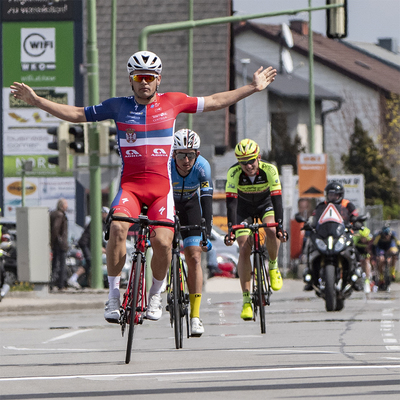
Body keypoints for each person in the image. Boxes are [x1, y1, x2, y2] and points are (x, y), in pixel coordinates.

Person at [10, 50, 277, 324]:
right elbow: (78, 114)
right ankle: (114, 296)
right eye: (139, 77)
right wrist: (37, 101)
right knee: (116, 228)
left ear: (158, 79)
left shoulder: (173, 102)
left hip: (161, 190)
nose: (144, 82)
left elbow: (215, 101)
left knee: (162, 242)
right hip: (131, 188)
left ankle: (155, 295)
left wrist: (252, 88)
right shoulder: (118, 106)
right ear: (131, 80)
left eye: (149, 77)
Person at [224, 139, 287, 321]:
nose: (249, 166)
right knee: (244, 249)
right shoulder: (234, 172)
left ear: (258, 157)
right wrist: (230, 229)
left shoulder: (269, 169)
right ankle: (246, 301)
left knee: (272, 231)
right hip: (243, 209)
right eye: (244, 162)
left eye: (252, 160)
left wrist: (280, 226)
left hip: (265, 204)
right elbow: (231, 203)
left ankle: (273, 266)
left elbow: (277, 199)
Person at [171, 129, 213, 337]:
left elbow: (206, 199)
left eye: (190, 154)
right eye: (180, 155)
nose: (186, 160)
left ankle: (195, 316)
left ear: (197, 154)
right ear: (173, 155)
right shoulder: (166, 166)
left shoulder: (203, 166)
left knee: (194, 256)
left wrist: (207, 229)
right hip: (168, 203)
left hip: (190, 205)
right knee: (162, 245)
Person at [303, 182, 361, 290]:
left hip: (343, 233)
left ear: (340, 195)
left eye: (335, 195)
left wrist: (356, 221)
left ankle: (356, 273)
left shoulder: (347, 204)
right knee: (312, 248)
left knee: (354, 250)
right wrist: (309, 222)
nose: (333, 197)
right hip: (325, 234)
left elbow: (355, 215)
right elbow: (314, 217)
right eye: (330, 195)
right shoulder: (322, 205)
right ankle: (311, 275)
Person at [68, 207, 110, 289]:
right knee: (89, 261)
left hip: (89, 244)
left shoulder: (102, 223)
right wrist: (99, 247)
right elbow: (94, 237)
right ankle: (74, 278)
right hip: (86, 244)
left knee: (91, 262)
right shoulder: (97, 222)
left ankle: (79, 279)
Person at [49, 198, 69, 291]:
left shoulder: (54, 214)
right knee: (60, 264)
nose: (67, 206)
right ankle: (60, 284)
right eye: (65, 204)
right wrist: (57, 241)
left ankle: (54, 283)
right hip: (60, 244)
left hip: (57, 243)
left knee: (55, 264)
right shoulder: (59, 215)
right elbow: (55, 229)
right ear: (61, 206)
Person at [372, 224, 400, 288]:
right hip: (381, 248)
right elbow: (374, 246)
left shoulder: (393, 235)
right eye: (385, 235)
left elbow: (398, 244)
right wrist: (375, 255)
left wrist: (397, 255)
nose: (387, 237)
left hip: (389, 247)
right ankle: (381, 278)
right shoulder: (378, 235)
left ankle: (392, 273)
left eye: (388, 235)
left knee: (393, 253)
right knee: (381, 260)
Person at [353, 226, 373, 293]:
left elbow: (371, 250)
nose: (363, 239)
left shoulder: (370, 240)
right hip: (357, 253)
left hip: (365, 253)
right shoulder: (355, 239)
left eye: (365, 237)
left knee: (366, 262)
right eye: (362, 237)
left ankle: (367, 281)